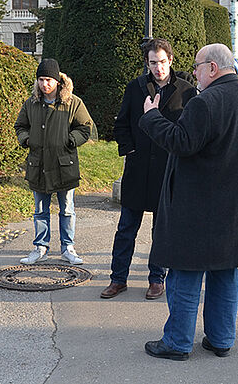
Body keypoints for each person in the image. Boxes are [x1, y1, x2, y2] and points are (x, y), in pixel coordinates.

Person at [139, 43, 238, 360]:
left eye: (197, 66)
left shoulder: (206, 102)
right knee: (225, 274)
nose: (194, 72)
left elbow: (181, 142)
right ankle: (221, 339)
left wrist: (152, 117)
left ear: (213, 68)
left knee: (185, 273)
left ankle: (177, 342)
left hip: (200, 206)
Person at [102, 39, 196, 300]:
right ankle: (118, 278)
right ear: (147, 63)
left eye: (163, 62)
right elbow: (121, 124)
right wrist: (130, 149)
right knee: (125, 230)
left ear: (171, 60)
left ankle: (157, 278)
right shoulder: (135, 88)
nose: (158, 68)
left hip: (167, 171)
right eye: (153, 62)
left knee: (161, 231)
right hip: (137, 168)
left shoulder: (186, 91)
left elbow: (191, 132)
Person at [16, 59, 94, 265]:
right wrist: (26, 139)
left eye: (49, 80)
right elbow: (20, 125)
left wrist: (71, 140)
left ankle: (68, 247)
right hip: (38, 164)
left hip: (64, 164)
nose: (45, 84)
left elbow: (85, 127)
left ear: (58, 81)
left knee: (67, 209)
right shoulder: (31, 103)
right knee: (40, 210)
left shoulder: (73, 102)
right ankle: (40, 247)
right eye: (41, 80)